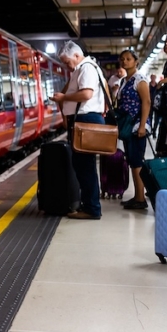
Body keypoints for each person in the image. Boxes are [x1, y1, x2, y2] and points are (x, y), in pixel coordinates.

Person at [51, 41, 108, 220]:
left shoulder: (87, 68)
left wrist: (64, 97)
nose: (67, 66)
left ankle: (92, 208)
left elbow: (86, 94)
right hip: (83, 120)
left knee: (85, 167)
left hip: (86, 119)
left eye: (68, 62)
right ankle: (89, 205)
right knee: (84, 166)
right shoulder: (81, 69)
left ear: (76, 55)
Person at [115, 50, 150, 210]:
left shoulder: (139, 79)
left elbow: (146, 102)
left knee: (137, 162)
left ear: (136, 61)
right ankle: (137, 196)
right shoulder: (124, 80)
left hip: (137, 126)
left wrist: (142, 125)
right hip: (128, 126)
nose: (125, 61)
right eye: (122, 59)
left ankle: (140, 198)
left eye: (128, 59)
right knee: (132, 161)